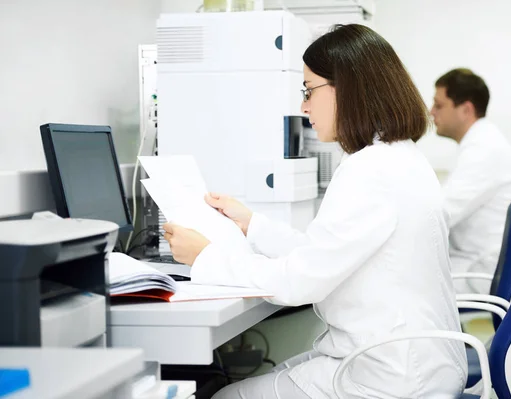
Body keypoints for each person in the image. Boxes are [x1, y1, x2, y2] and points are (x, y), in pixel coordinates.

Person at [163, 24, 467, 399]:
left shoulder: (369, 169)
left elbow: (298, 282)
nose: (304, 106)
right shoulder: (400, 156)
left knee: (224, 396)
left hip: (390, 376)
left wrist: (205, 258)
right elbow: (325, 251)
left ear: (349, 88)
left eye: (309, 91)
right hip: (410, 360)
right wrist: (251, 224)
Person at [431, 68, 511, 295]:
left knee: (410, 286)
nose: (431, 112)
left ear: (466, 110)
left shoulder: (483, 150)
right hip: (486, 261)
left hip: (489, 270)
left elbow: (441, 212)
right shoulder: (483, 143)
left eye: (439, 105)